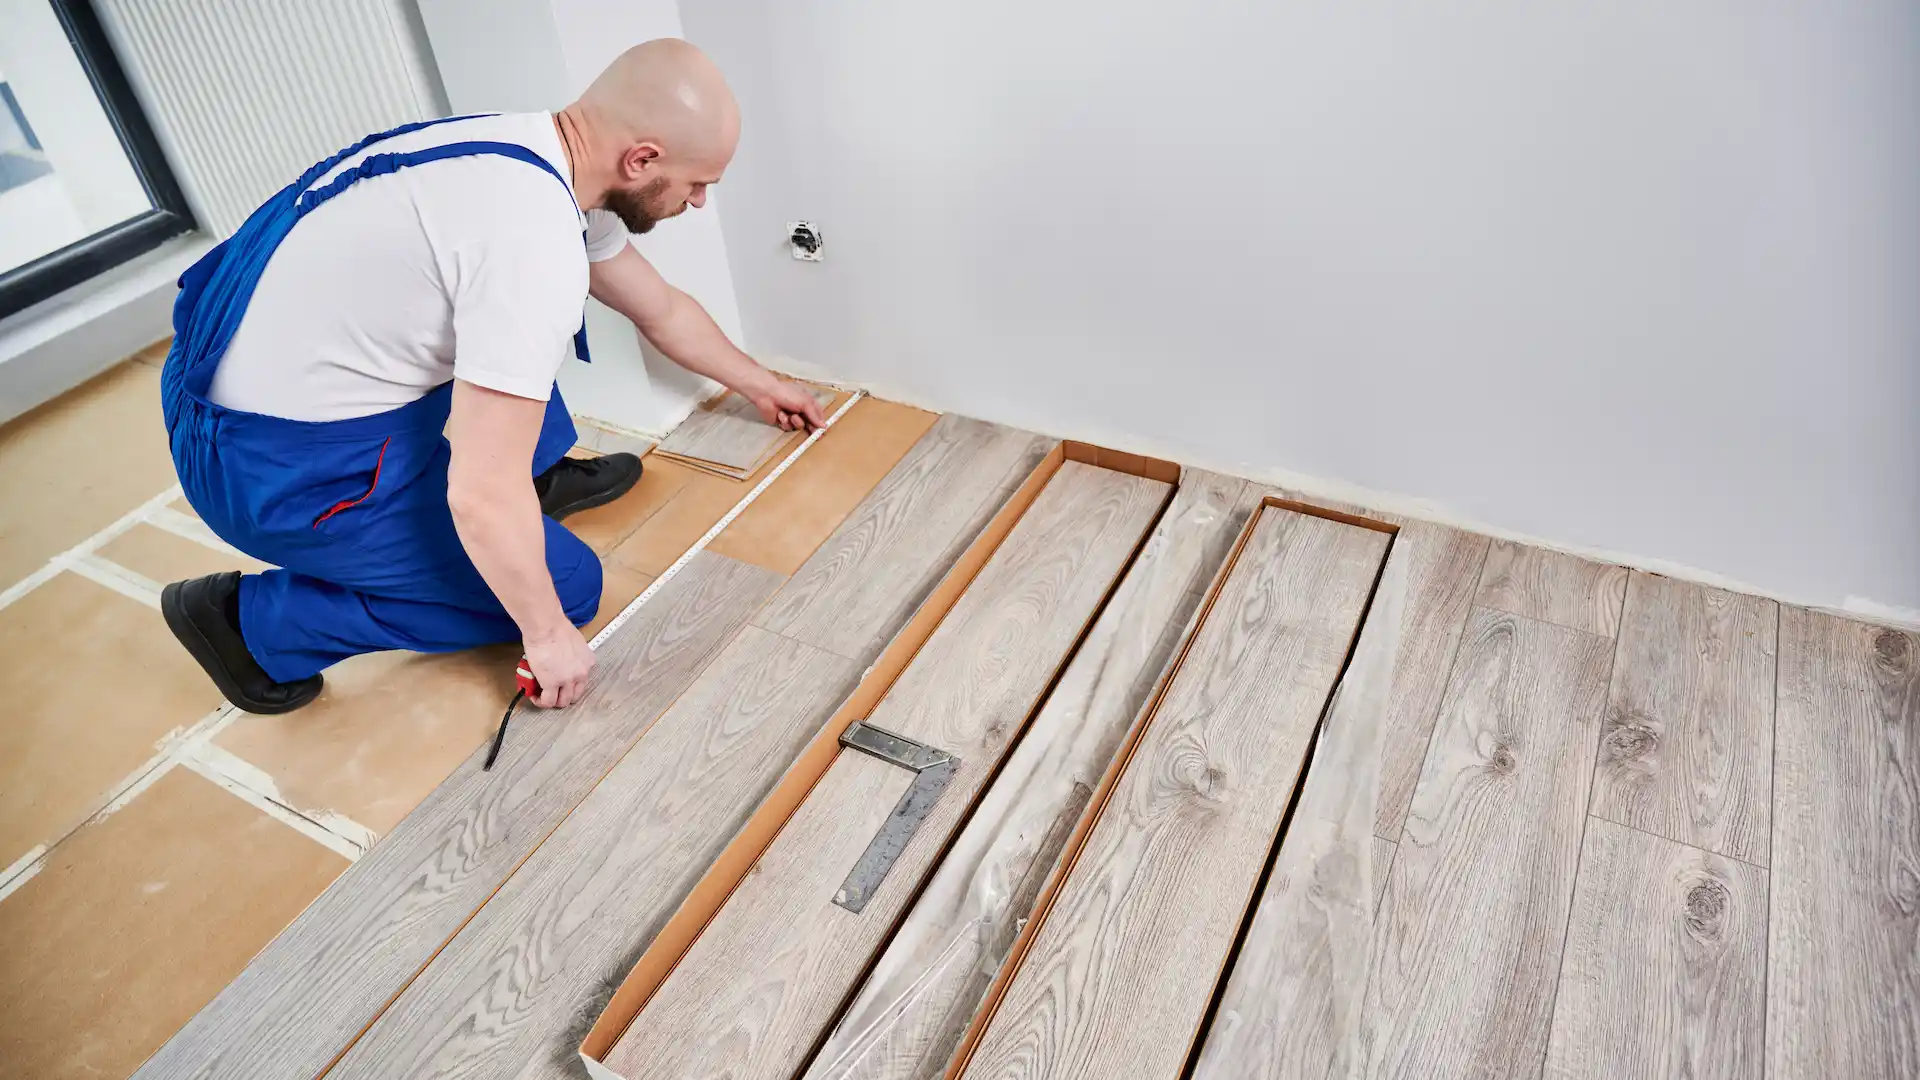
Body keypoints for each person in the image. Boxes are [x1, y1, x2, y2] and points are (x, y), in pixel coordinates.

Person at [158, 38, 823, 716]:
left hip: (230, 373)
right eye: (697, 183)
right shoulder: (531, 247)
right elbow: (478, 493)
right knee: (567, 588)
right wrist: (546, 633)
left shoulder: (530, 152)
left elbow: (661, 309)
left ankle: (529, 486)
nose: (701, 201)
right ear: (642, 159)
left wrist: (761, 384)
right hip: (270, 470)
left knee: (508, 349)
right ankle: (251, 626)